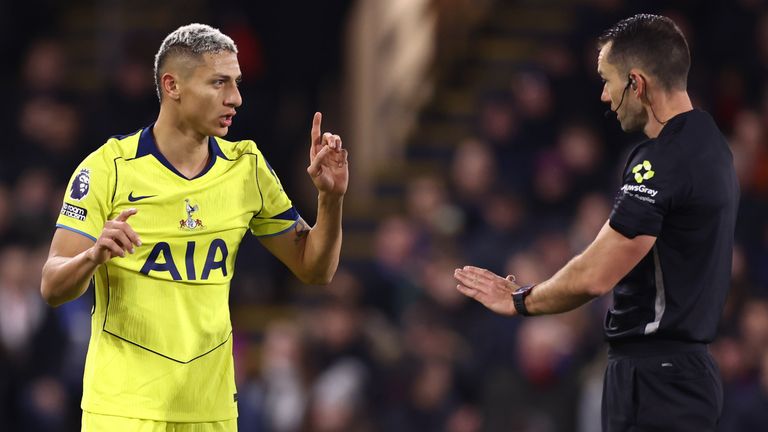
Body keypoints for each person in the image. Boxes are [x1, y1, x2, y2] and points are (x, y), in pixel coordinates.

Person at [40, 23, 348, 431]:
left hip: (210, 409)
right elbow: (52, 285)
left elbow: (315, 269)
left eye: (236, 83)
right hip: (124, 408)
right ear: (172, 86)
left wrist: (331, 199)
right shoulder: (107, 168)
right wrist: (92, 256)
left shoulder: (247, 168)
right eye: (219, 83)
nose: (235, 98)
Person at [454, 14, 738, 431]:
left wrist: (520, 300)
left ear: (636, 84)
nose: (604, 96)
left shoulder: (663, 161)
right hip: (681, 375)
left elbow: (594, 276)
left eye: (608, 81)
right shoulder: (711, 144)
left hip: (656, 380)